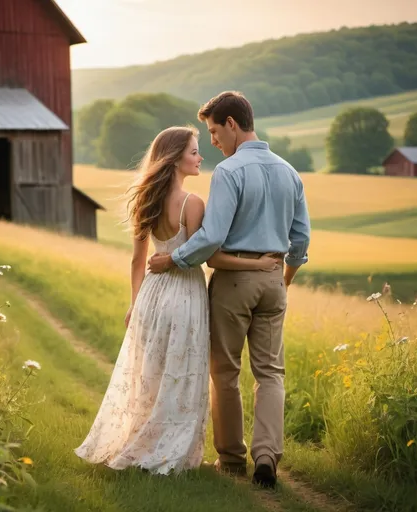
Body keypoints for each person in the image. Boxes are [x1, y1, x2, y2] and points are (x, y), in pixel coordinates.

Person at [74, 125, 280, 475]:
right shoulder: (192, 202)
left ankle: (144, 440)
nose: (201, 157)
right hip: (185, 294)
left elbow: (138, 262)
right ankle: (170, 448)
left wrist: (135, 303)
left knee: (151, 374)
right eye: (194, 151)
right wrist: (258, 263)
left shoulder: (145, 200)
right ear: (174, 159)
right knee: (182, 375)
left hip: (152, 295)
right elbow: (206, 256)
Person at [148, 92, 311, 487]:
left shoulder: (230, 172)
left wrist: (174, 259)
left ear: (233, 124)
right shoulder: (290, 171)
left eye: (215, 131)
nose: (214, 141)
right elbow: (301, 238)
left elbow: (212, 236)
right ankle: (267, 457)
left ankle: (233, 460)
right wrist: (283, 279)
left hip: (234, 280)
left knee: (224, 370)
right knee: (271, 372)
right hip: (273, 276)